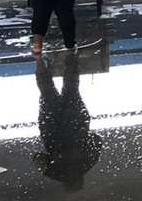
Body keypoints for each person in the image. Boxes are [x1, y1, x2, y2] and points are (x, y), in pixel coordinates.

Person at [31, 53, 100, 191]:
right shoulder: (53, 172)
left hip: (76, 120)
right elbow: (37, 157)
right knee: (47, 91)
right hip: (52, 126)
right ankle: (39, 60)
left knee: (71, 86)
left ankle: (70, 54)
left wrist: (82, 138)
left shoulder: (88, 163)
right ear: (65, 184)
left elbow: (97, 139)